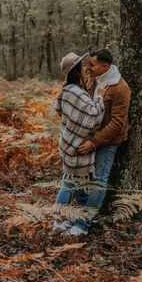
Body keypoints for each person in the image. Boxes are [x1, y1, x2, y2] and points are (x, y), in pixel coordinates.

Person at [70, 48, 131, 235]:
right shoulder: (94, 79)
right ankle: (79, 214)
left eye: (93, 64)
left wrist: (94, 142)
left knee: (99, 181)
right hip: (89, 135)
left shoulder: (120, 88)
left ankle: (83, 224)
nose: (89, 68)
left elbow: (117, 124)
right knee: (79, 174)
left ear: (105, 66)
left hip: (108, 140)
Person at [53, 52, 105, 234]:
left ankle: (71, 218)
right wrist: (99, 96)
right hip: (76, 147)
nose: (86, 69)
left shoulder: (66, 90)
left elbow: (59, 109)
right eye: (83, 67)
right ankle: (58, 220)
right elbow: (93, 116)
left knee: (76, 183)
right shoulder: (75, 92)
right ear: (76, 71)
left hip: (68, 143)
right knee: (68, 184)